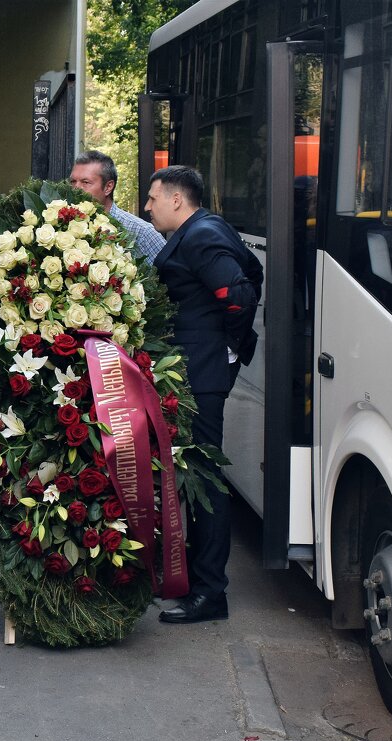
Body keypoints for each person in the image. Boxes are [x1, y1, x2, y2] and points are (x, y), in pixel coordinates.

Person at [143, 165, 260, 624]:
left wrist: (228, 349)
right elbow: (249, 273)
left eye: (153, 198)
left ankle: (211, 593)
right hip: (199, 368)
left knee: (206, 480)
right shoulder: (202, 229)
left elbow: (240, 293)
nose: (147, 206)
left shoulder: (201, 235)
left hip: (203, 374)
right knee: (194, 475)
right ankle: (194, 578)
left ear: (176, 199)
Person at [69, 150, 165, 262]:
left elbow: (170, 275)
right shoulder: (62, 227)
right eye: (73, 181)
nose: (76, 189)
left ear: (108, 187)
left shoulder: (141, 232)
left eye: (85, 182)